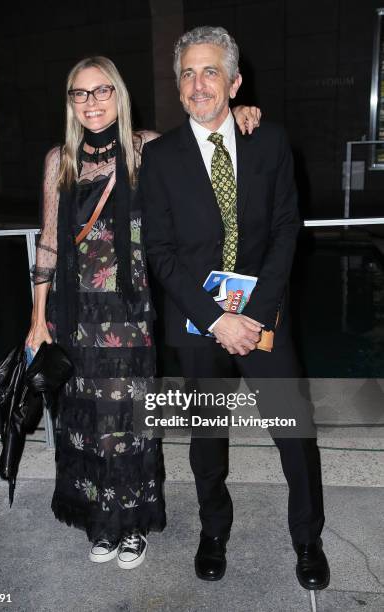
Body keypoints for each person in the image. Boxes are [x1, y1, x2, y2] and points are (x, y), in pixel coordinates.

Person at [26, 54, 260, 569]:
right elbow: (47, 246)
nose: (91, 103)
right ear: (70, 102)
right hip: (74, 315)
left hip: (129, 313)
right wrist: (37, 320)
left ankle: (131, 525)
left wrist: (239, 116)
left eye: (101, 90)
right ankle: (100, 521)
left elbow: (205, 137)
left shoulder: (146, 149)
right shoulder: (58, 161)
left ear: (119, 94)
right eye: (80, 94)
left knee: (127, 421)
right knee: (84, 422)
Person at [139, 26, 330, 589]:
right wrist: (218, 318)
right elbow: (160, 252)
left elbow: (284, 229)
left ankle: (308, 539)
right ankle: (213, 531)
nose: (199, 85)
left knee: (294, 432)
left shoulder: (269, 142)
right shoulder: (160, 157)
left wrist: (256, 313)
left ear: (235, 81)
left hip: (264, 318)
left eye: (211, 71)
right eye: (188, 74)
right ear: (178, 86)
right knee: (206, 437)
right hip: (198, 324)